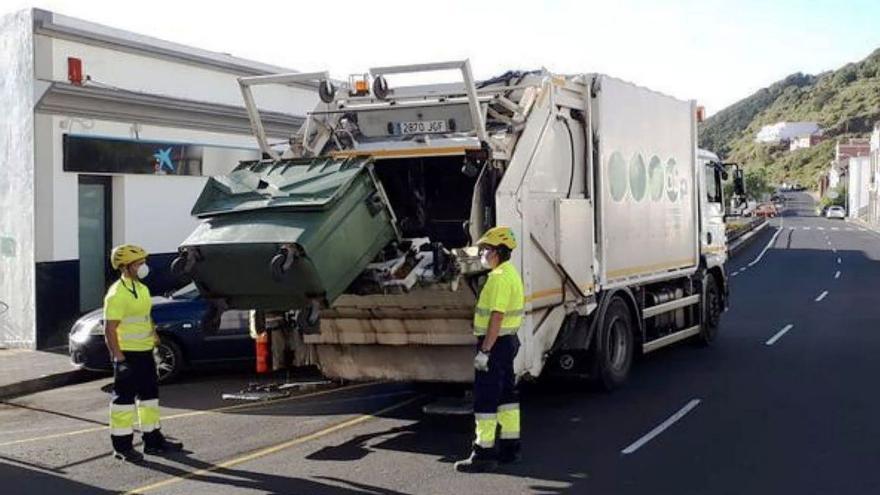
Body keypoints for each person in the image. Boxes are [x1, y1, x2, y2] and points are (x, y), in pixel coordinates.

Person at [455, 226, 525, 473]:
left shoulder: (497, 279)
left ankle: (483, 453)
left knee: (486, 399)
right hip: (508, 342)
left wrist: (485, 351)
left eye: (485, 249)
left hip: (494, 344)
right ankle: (510, 448)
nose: (482, 253)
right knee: (507, 397)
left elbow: (496, 317)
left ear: (498, 251)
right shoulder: (511, 273)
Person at [104, 244, 183, 462]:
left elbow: (145, 318)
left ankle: (153, 441)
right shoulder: (117, 294)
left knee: (149, 398)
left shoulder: (141, 289)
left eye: (142, 263)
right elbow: (109, 329)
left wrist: (155, 340)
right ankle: (122, 447)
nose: (143, 267)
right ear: (126, 266)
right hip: (127, 355)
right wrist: (119, 359)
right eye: (139, 263)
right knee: (124, 402)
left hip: (146, 352)